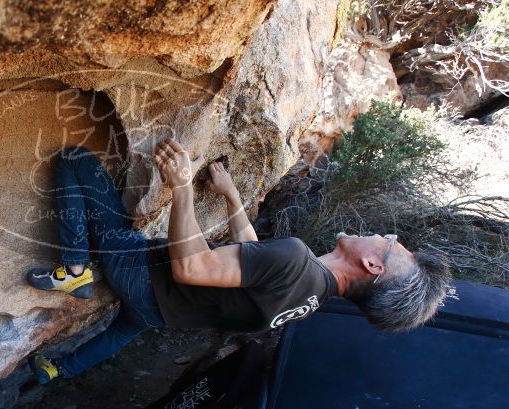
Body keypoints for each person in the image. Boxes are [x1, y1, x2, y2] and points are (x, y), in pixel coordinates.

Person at [26, 140, 450, 384]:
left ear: (374, 266)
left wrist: (183, 187)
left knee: (75, 161)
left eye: (393, 244)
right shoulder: (310, 298)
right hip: (160, 312)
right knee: (121, 331)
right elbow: (253, 257)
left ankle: (74, 271)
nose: (387, 236)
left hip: (145, 276)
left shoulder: (297, 260)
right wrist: (231, 196)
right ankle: (56, 368)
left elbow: (192, 269)